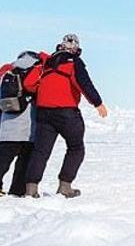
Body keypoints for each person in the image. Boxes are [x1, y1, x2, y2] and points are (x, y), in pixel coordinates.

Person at [23, 34, 108, 198]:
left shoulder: (46, 62)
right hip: (66, 113)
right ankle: (65, 187)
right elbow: (83, 83)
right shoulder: (73, 62)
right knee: (76, 148)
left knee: (40, 151)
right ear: (76, 48)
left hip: (43, 112)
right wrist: (97, 103)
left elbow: (29, 84)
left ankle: (31, 190)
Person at [0, 51, 41, 197]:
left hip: (8, 126)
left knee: (2, 157)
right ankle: (18, 189)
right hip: (28, 126)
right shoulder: (36, 74)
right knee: (25, 159)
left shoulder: (8, 74)